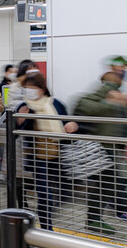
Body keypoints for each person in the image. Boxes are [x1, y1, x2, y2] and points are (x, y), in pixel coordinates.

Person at [14, 72, 79, 231]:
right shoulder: (24, 107)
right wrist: (20, 121)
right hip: (38, 157)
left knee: (63, 194)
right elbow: (15, 131)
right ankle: (46, 228)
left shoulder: (55, 104)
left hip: (57, 156)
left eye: (33, 88)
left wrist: (73, 126)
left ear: (42, 89)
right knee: (45, 195)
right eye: (26, 88)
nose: (29, 91)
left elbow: (68, 123)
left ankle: (45, 220)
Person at [74, 70, 127, 234]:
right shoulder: (105, 92)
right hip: (102, 149)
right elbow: (82, 105)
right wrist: (110, 102)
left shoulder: (117, 94)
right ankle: (94, 220)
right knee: (106, 185)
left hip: (112, 148)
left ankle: (95, 219)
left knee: (109, 185)